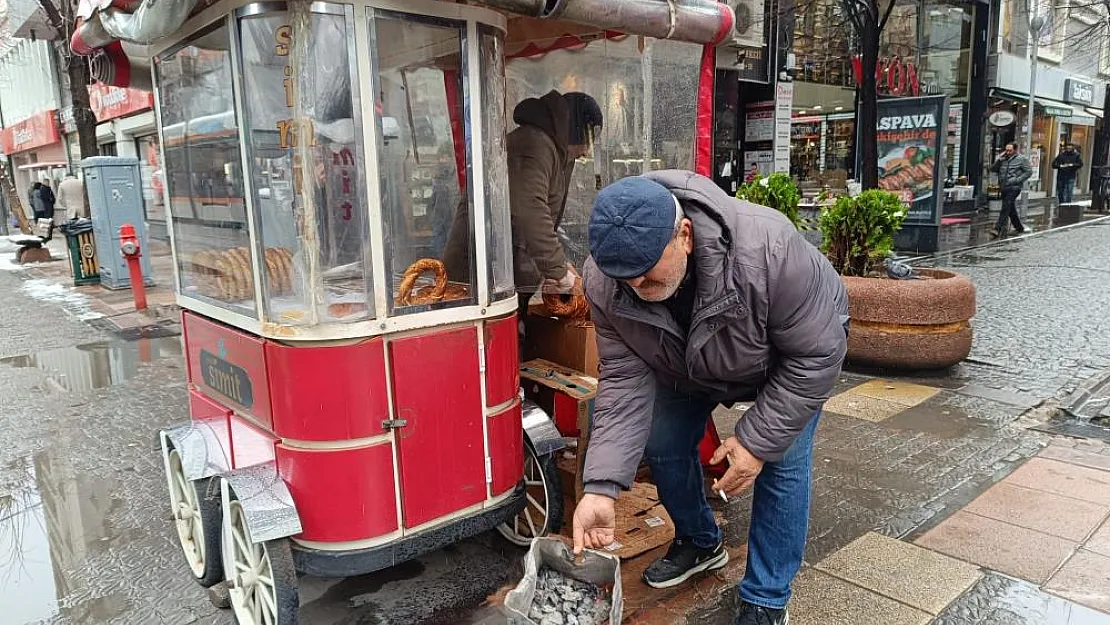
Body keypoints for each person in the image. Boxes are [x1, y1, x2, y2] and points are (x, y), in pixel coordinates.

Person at [573, 172, 849, 625]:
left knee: (782, 462)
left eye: (647, 269)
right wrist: (601, 487)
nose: (638, 286)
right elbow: (624, 377)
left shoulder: (769, 250)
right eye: (626, 278)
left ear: (684, 235)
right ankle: (701, 541)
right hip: (685, 364)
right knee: (662, 442)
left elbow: (816, 355)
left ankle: (766, 598)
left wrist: (756, 442)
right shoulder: (605, 280)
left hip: (788, 361)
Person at [443, 90, 603, 304]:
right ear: (577, 132)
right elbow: (531, 211)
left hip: (505, 274)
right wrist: (559, 272)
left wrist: (558, 266)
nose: (586, 152)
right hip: (481, 278)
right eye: (588, 141)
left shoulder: (555, 150)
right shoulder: (534, 145)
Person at [989, 143, 1032, 238]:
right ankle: (1019, 227)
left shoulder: (1022, 159)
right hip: (1004, 186)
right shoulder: (1003, 159)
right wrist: (999, 160)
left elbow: (1028, 172)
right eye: (1006, 150)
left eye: (1010, 150)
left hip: (1014, 187)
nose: (1008, 152)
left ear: (1015, 150)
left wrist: (1017, 180)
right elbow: (992, 169)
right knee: (1010, 208)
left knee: (1005, 206)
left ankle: (997, 228)